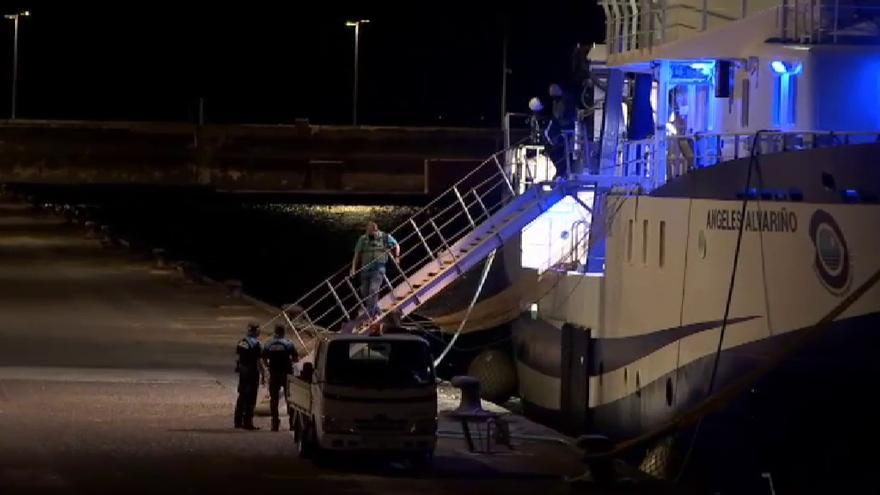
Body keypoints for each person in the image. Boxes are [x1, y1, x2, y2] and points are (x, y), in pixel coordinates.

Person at [350, 221, 399, 317]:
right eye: (369, 234)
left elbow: (396, 245)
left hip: (378, 268)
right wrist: (353, 269)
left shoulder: (384, 237)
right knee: (364, 292)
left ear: (376, 230)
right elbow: (356, 255)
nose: (371, 236)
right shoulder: (363, 239)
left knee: (373, 289)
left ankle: (371, 314)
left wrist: (397, 256)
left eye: (372, 234)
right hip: (365, 269)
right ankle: (375, 308)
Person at [262, 325, 298, 432]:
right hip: (286, 374)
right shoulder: (289, 343)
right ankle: (292, 423)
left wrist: (268, 366)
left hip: (274, 374)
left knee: (274, 399)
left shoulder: (268, 343)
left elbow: (263, 358)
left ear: (275, 332)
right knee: (289, 399)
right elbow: (295, 358)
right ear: (283, 332)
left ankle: (275, 423)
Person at [234, 323, 264, 430]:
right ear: (255, 331)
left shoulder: (241, 342)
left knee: (241, 396)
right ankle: (248, 423)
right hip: (252, 372)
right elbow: (259, 361)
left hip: (243, 372)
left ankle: (237, 422)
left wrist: (239, 367)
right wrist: (264, 373)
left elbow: (238, 357)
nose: (259, 332)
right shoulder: (256, 344)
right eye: (258, 330)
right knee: (251, 399)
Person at [547, 83, 577, 179]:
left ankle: (564, 171)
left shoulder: (567, 100)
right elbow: (556, 116)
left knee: (566, 152)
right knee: (556, 150)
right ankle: (561, 171)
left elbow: (568, 116)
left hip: (568, 129)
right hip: (561, 130)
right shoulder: (556, 102)